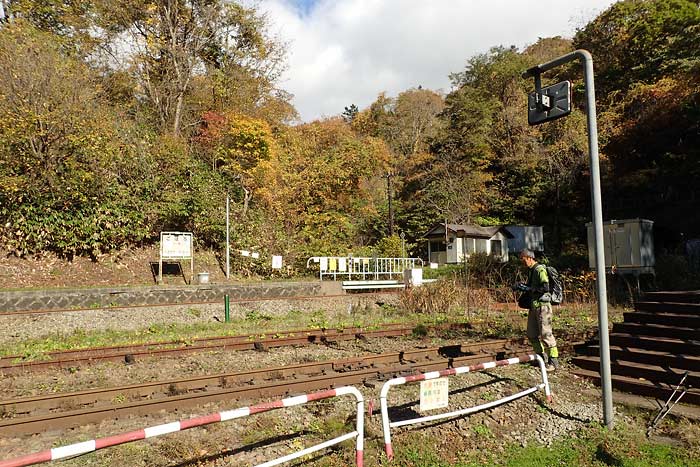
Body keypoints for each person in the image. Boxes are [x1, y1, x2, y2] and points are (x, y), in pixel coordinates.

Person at [515, 249, 559, 371]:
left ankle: (553, 361)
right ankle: (541, 358)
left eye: (523, 259)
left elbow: (545, 287)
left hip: (543, 306)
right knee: (531, 334)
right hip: (534, 306)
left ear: (529, 258)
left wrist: (529, 289)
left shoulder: (539, 269)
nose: (522, 262)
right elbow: (532, 287)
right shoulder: (531, 271)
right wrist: (522, 287)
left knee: (546, 334)